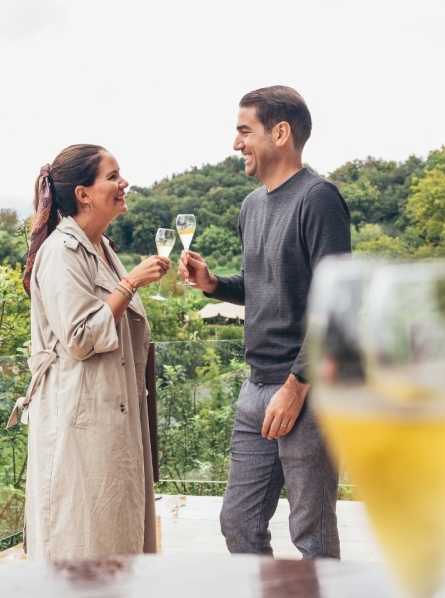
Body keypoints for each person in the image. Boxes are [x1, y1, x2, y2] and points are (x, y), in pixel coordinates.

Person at [179, 86, 351, 559]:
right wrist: (214, 283)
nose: (236, 144)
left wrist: (297, 386)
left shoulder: (318, 199)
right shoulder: (251, 207)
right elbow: (262, 284)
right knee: (238, 521)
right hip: (256, 389)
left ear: (280, 132)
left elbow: (336, 303)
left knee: (311, 534)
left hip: (307, 391)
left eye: (244, 131)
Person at [12, 144, 169, 560]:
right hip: (78, 420)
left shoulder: (103, 247)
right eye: (113, 176)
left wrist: (127, 281)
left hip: (111, 414)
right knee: (81, 535)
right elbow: (79, 337)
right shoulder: (61, 252)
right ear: (84, 194)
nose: (124, 183)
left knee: (115, 533)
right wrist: (130, 284)